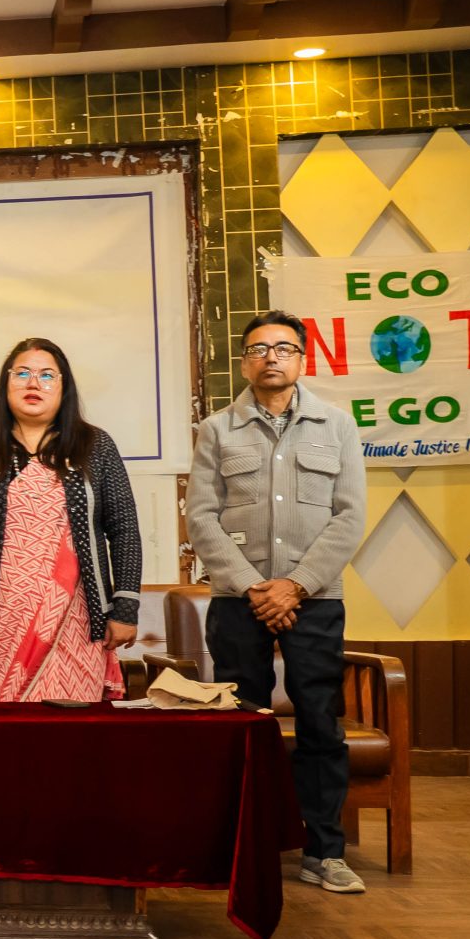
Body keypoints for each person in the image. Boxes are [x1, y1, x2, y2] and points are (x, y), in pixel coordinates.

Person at [186, 310, 369, 894]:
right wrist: (253, 586)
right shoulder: (217, 429)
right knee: (244, 723)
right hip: (238, 600)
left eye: (284, 348)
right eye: (259, 349)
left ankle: (324, 852)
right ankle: (247, 846)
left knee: (320, 723)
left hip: (315, 599)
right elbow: (202, 518)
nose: (272, 357)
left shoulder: (337, 426)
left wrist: (297, 584)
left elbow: (349, 517)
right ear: (244, 362)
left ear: (302, 359)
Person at [0, 338, 141, 702]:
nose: (33, 383)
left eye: (47, 375)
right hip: (1, 616)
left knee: (74, 723)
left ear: (64, 386)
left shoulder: (95, 445)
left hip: (77, 617)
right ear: (6, 383)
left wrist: (125, 608)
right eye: (22, 374)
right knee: (12, 725)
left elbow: (124, 529)